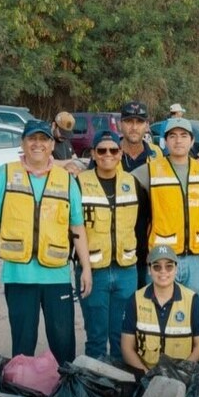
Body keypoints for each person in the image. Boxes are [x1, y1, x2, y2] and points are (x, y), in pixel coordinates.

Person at [0, 120, 92, 364]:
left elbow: (77, 226)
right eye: (32, 139)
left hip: (56, 277)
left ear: (52, 144)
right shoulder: (4, 174)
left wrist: (86, 268)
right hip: (18, 277)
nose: (38, 144)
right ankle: (24, 396)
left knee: (64, 346)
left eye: (43, 139)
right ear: (23, 143)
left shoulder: (66, 180)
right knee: (23, 348)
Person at [131, 117, 199, 305]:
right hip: (161, 258)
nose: (178, 140)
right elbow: (118, 180)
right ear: (165, 142)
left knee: (195, 315)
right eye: (172, 136)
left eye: (183, 135)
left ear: (191, 141)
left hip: (198, 260)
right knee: (158, 315)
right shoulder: (150, 171)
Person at [76, 130, 148, 362]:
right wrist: (82, 265)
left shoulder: (133, 183)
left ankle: (120, 390)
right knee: (96, 337)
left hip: (126, 270)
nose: (108, 154)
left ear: (120, 154)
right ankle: (95, 392)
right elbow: (73, 229)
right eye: (102, 150)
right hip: (92, 272)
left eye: (113, 150)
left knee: (122, 337)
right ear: (94, 155)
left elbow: (143, 224)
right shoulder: (79, 184)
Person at [121, 245, 199, 372]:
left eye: (169, 266)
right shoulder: (135, 301)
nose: (163, 271)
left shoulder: (192, 300)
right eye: (156, 266)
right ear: (149, 270)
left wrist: (181, 372)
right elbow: (126, 347)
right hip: (145, 376)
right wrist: (146, 374)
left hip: (182, 376)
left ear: (176, 269)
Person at [118, 100, 162, 288]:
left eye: (139, 122)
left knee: (147, 299)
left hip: (149, 239)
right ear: (121, 124)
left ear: (146, 125)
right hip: (119, 240)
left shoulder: (157, 155)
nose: (134, 127)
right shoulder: (108, 152)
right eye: (129, 121)